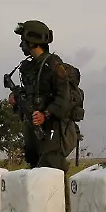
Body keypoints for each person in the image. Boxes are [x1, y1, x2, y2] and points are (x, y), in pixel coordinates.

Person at [8, 20, 79, 172]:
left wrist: (45, 115)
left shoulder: (54, 66)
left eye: (24, 41)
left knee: (52, 169)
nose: (22, 45)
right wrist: (16, 100)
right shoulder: (28, 67)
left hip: (52, 129)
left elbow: (63, 99)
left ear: (33, 42)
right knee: (35, 167)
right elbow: (31, 95)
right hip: (33, 129)